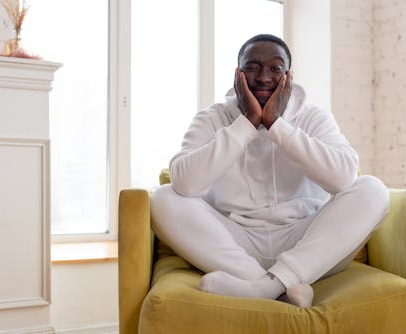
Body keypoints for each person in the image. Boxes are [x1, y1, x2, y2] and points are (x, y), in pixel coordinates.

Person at [150, 34, 389, 307]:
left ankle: (265, 287)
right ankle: (281, 286)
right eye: (252, 67)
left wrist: (276, 125)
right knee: (164, 197)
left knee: (372, 189)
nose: (263, 77)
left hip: (308, 245)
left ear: (288, 76)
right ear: (238, 74)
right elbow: (185, 183)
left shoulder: (313, 116)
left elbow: (344, 177)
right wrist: (248, 123)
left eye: (275, 68)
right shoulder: (211, 117)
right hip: (235, 242)